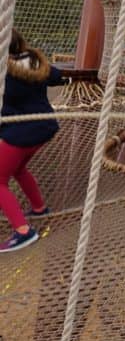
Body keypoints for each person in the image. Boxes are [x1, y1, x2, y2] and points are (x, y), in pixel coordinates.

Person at [0, 29, 68, 253]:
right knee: (18, 169)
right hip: (45, 127)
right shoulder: (35, 61)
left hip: (21, 133)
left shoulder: (4, 72)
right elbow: (57, 77)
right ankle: (39, 208)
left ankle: (23, 232)